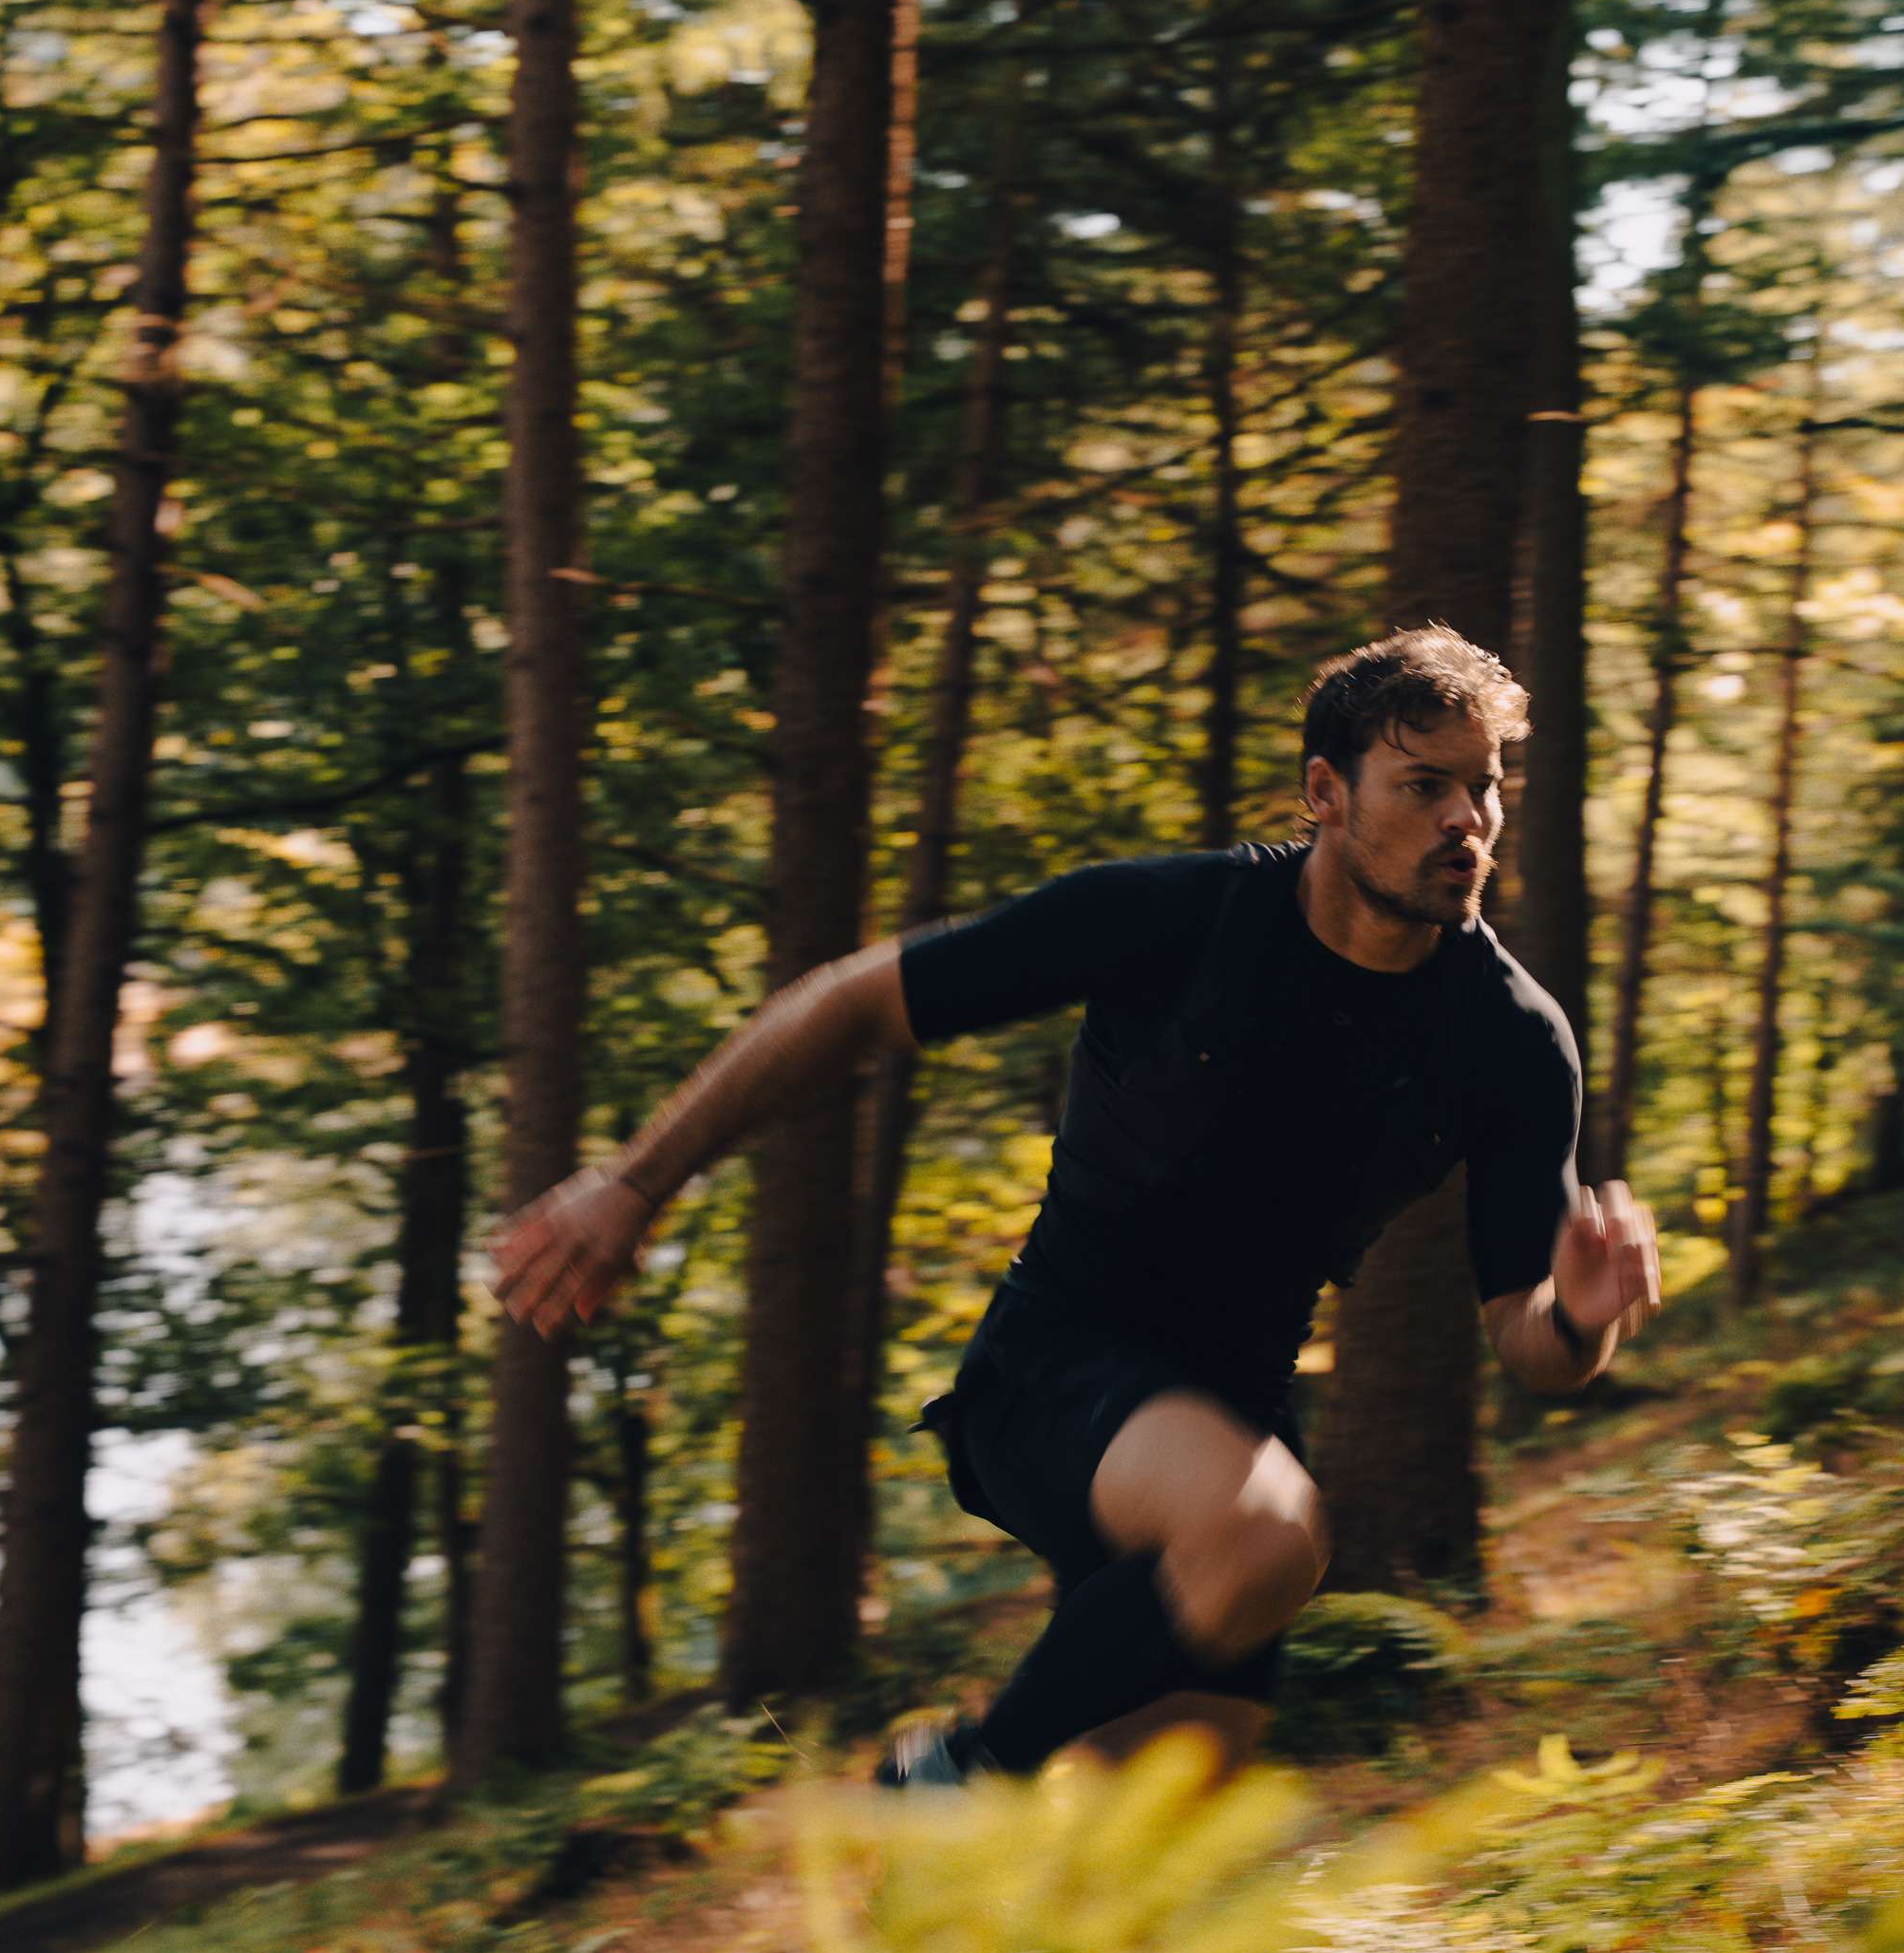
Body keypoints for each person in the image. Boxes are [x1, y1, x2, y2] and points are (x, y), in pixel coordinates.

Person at [488, 625, 1662, 1781]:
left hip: (1235, 1422)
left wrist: (1583, 1315)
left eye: (1483, 787)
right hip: (1055, 1373)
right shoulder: (1171, 918)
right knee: (1272, 1537)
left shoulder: (1511, 1039)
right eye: (1425, 785)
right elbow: (854, 1002)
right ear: (1327, 793)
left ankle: (939, 1903)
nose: (1469, 821)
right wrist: (635, 1183)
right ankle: (947, 1782)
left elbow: (1530, 1339)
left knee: (1140, 1848)